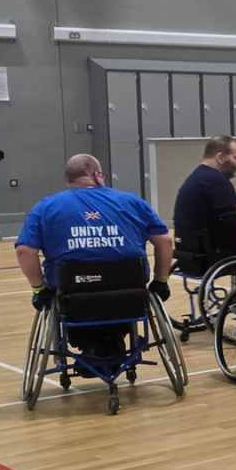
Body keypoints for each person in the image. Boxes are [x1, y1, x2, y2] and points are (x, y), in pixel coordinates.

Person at [15, 154, 174, 362]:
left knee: (67, 295)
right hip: (128, 296)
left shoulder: (46, 207)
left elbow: (24, 251)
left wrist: (39, 289)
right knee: (123, 294)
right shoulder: (132, 201)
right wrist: (161, 281)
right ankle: (113, 343)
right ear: (97, 175)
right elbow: (165, 241)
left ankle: (90, 347)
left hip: (74, 298)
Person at [172, 135, 236, 265]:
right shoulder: (218, 182)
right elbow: (233, 225)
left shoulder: (196, 178)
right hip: (212, 255)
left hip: (188, 253)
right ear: (221, 158)